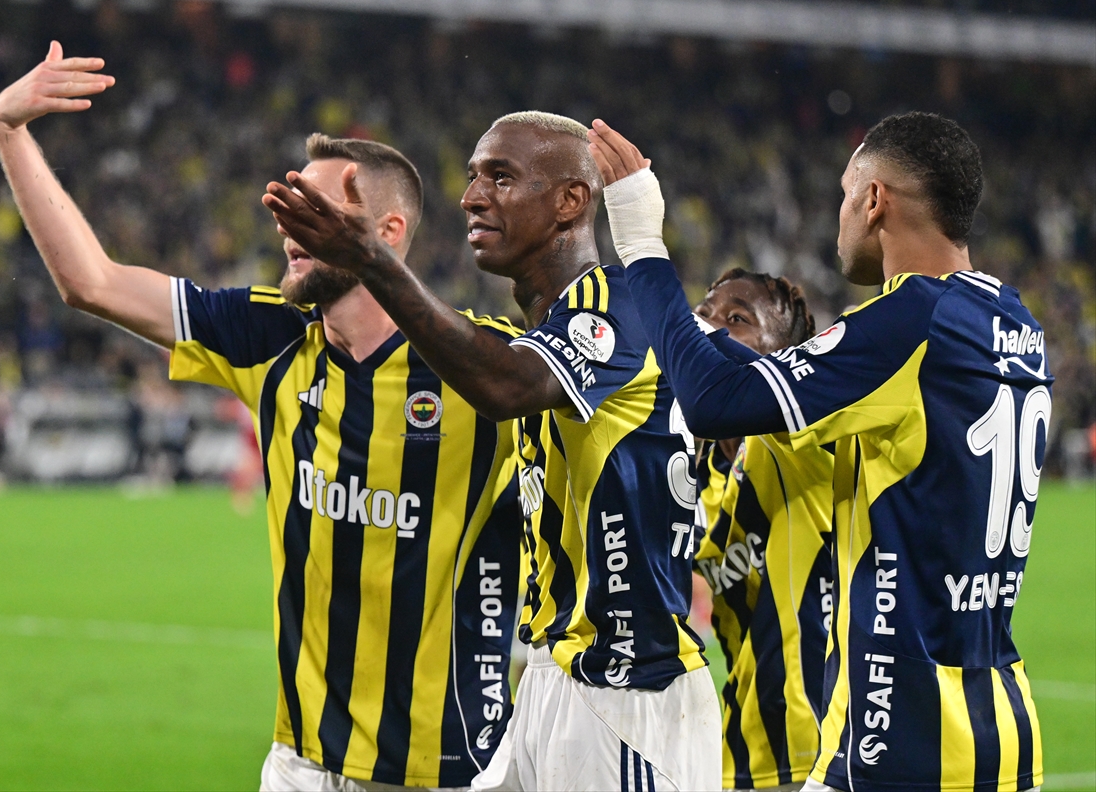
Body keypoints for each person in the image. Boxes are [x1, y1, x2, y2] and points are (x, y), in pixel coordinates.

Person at [0, 42, 524, 792]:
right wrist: (8, 130)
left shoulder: (488, 369)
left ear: (388, 232)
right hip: (299, 761)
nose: (287, 226)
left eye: (314, 210)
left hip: (439, 767)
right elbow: (92, 283)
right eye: (285, 207)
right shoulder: (268, 335)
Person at [263, 110, 720, 792]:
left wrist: (372, 261)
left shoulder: (615, 304)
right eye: (474, 177)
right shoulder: (549, 329)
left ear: (570, 201)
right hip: (551, 677)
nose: (472, 197)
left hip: (627, 692)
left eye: (501, 178)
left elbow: (506, 386)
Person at [591, 114, 1050, 792]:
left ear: (874, 200)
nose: (840, 215)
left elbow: (715, 399)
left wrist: (640, 242)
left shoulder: (911, 318)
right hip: (1001, 733)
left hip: (902, 743)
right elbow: (764, 372)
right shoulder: (1014, 322)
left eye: (844, 193)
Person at [689, 270, 834, 792]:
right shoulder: (697, 474)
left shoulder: (801, 444)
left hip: (826, 747)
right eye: (703, 315)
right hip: (746, 752)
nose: (710, 328)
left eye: (737, 319)